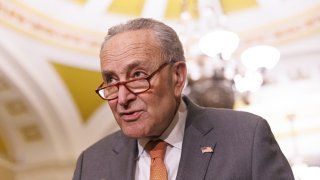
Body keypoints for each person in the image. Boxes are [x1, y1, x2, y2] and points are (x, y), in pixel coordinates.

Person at [73, 18, 294, 180]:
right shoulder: (91, 163)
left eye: (138, 75)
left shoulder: (247, 137)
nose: (122, 97)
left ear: (177, 77)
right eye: (111, 80)